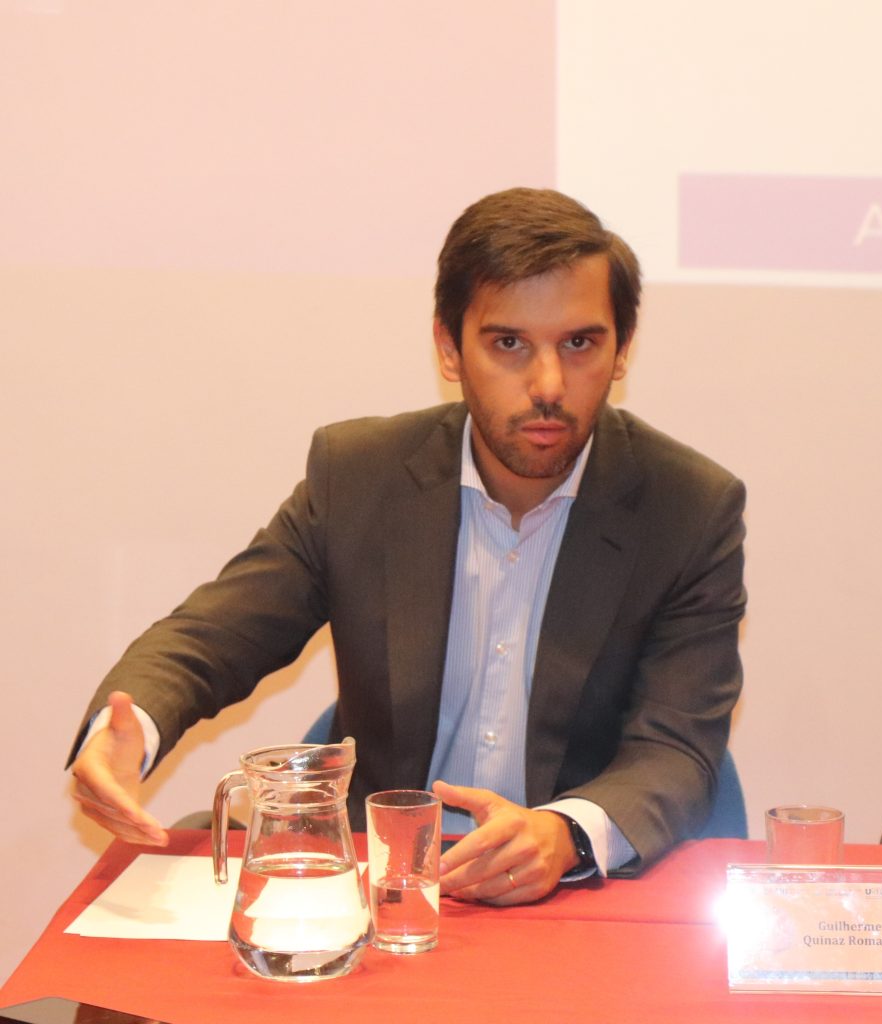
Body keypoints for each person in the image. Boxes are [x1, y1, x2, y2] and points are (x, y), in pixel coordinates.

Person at [69, 187, 746, 906]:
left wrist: (564, 833)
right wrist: (129, 727)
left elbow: (676, 748)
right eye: (508, 343)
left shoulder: (688, 509)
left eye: (579, 344)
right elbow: (216, 634)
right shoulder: (360, 477)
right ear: (449, 348)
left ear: (621, 349)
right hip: (382, 886)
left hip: (576, 896)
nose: (548, 385)